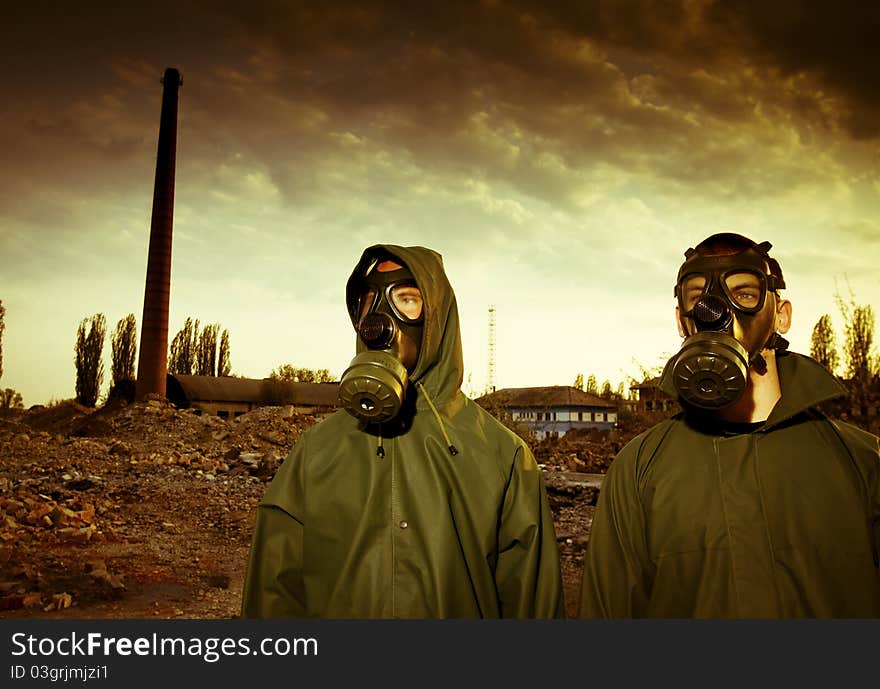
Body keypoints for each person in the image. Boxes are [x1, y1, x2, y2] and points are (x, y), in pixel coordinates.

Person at [242, 244, 564, 618]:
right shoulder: (317, 450)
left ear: (437, 318)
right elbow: (273, 594)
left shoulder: (502, 455)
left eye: (406, 299)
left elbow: (532, 605)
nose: (380, 318)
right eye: (369, 301)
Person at [579, 232, 880, 618]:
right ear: (682, 320)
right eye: (698, 298)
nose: (717, 311)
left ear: (781, 314)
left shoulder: (862, 462)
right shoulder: (639, 469)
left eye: (744, 293)